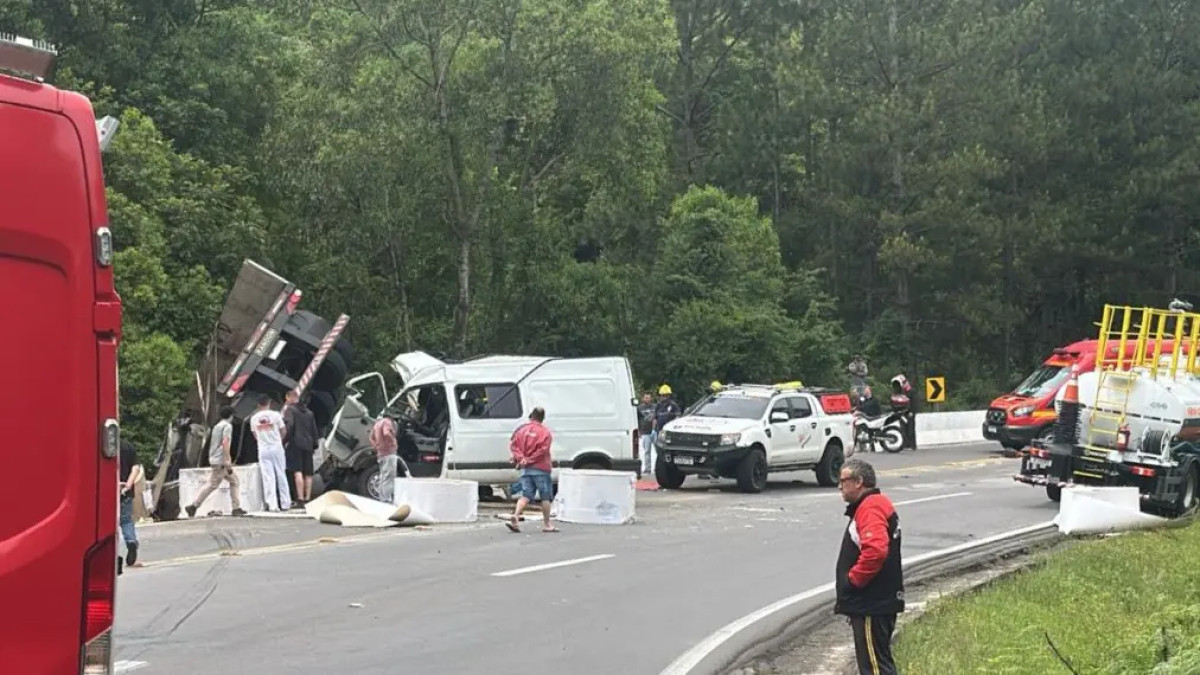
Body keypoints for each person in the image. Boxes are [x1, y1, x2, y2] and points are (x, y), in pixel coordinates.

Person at [835, 458, 904, 675]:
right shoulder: (875, 504)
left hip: (871, 603)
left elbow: (876, 550)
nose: (840, 486)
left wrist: (854, 581)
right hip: (877, 601)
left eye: (843, 480)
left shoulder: (870, 507)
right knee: (877, 662)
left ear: (858, 482)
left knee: (875, 667)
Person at [186, 405, 247, 518]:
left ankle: (235, 507)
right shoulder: (227, 426)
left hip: (214, 459)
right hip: (221, 461)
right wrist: (227, 460)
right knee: (216, 484)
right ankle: (194, 505)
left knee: (231, 481)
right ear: (231, 415)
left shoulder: (217, 426)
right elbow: (225, 443)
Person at [505, 407, 557, 534]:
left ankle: (516, 515)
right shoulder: (545, 433)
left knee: (526, 495)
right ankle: (547, 524)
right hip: (541, 469)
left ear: (531, 416)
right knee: (545, 497)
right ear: (542, 418)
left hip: (526, 470)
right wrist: (529, 460)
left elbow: (514, 445)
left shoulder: (521, 430)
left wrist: (522, 460)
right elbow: (542, 451)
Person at [250, 393, 291, 511]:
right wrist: (278, 440)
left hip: (263, 448)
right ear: (269, 403)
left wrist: (263, 440)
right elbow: (283, 431)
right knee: (281, 474)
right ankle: (285, 503)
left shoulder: (254, 418)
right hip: (276, 447)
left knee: (268, 477)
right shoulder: (276, 415)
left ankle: (272, 505)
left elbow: (255, 435)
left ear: (258, 405)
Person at [285, 392, 320, 505]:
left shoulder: (290, 410)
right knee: (308, 472)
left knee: (298, 471)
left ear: (289, 398)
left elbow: (289, 426)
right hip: (308, 445)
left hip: (296, 444)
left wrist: (285, 440)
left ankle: (300, 498)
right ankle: (307, 497)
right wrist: (314, 444)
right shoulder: (310, 413)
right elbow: (314, 430)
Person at [118, 439, 144, 568]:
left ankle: (113, 553)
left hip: (108, 491)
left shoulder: (104, 445)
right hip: (125, 492)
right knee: (126, 521)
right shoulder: (127, 446)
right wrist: (127, 485)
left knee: (108, 525)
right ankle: (131, 541)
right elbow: (135, 469)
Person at [369, 410, 399, 503]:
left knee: (383, 477)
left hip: (381, 453)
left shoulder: (377, 424)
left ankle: (382, 498)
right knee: (389, 477)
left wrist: (376, 446)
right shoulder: (387, 422)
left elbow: (371, 437)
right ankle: (386, 500)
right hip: (389, 453)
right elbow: (386, 433)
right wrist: (393, 441)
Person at [637, 392, 656, 476]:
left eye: (649, 397)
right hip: (645, 432)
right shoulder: (639, 408)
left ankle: (657, 468)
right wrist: (638, 431)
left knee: (658, 451)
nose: (647, 399)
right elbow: (637, 420)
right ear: (643, 399)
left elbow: (656, 418)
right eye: (646, 397)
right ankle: (647, 469)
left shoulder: (654, 407)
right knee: (647, 451)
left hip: (654, 431)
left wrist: (654, 429)